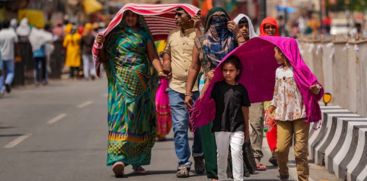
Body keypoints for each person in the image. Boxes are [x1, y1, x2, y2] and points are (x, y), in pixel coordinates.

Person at [95, 10, 167, 177]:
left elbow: (153, 57)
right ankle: (118, 158)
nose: (130, 18)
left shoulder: (144, 35)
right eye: (128, 16)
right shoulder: (114, 36)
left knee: (139, 121)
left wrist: (160, 71)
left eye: (134, 16)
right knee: (120, 119)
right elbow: (105, 57)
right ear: (122, 18)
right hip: (119, 85)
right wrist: (100, 44)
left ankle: (137, 161)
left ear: (138, 18)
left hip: (141, 85)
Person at [185, 7, 238, 181]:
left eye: (222, 18)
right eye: (214, 18)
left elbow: (244, 57)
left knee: (229, 130)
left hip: (229, 89)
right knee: (208, 132)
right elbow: (194, 67)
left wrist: (237, 33)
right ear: (209, 22)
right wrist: (187, 93)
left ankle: (230, 168)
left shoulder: (232, 40)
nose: (218, 22)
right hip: (206, 88)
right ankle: (213, 172)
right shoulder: (201, 41)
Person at [266, 41, 323, 181]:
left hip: (300, 114)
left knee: (300, 151)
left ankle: (303, 178)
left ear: (283, 53)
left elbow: (314, 85)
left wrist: (315, 89)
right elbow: (277, 92)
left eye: (275, 52)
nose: (274, 55)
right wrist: (272, 106)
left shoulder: (300, 68)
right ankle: (283, 172)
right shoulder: (278, 71)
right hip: (282, 115)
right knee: (281, 149)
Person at [161, 7, 204, 177]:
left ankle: (199, 155)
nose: (176, 17)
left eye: (180, 14)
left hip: (198, 89)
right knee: (179, 127)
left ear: (189, 16)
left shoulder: (199, 34)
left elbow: (205, 52)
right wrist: (166, 61)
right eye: (175, 15)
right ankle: (183, 163)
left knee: (199, 127)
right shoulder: (172, 35)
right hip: (176, 87)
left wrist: (199, 28)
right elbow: (166, 53)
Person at [211, 56, 250, 181]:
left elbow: (245, 109)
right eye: (225, 70)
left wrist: (246, 129)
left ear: (237, 71)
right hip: (220, 126)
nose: (228, 73)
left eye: (231, 70)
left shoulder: (242, 89)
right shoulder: (216, 87)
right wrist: (207, 81)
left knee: (236, 152)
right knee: (221, 155)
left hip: (237, 126)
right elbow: (204, 99)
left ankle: (238, 179)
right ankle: (221, 178)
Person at [249, 16, 280, 170]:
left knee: (272, 122)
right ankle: (255, 157)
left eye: (272, 27)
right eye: (266, 27)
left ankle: (276, 153)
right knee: (255, 123)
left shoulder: (281, 45)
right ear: (262, 28)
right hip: (256, 89)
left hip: (274, 90)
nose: (269, 30)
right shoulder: (255, 44)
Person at [0, 20, 18, 93]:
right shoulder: (12, 33)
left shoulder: (0, 33)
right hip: (10, 55)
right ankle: (7, 82)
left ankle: (0, 89)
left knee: (0, 73)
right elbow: (16, 43)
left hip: (0, 56)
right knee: (11, 71)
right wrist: (17, 52)